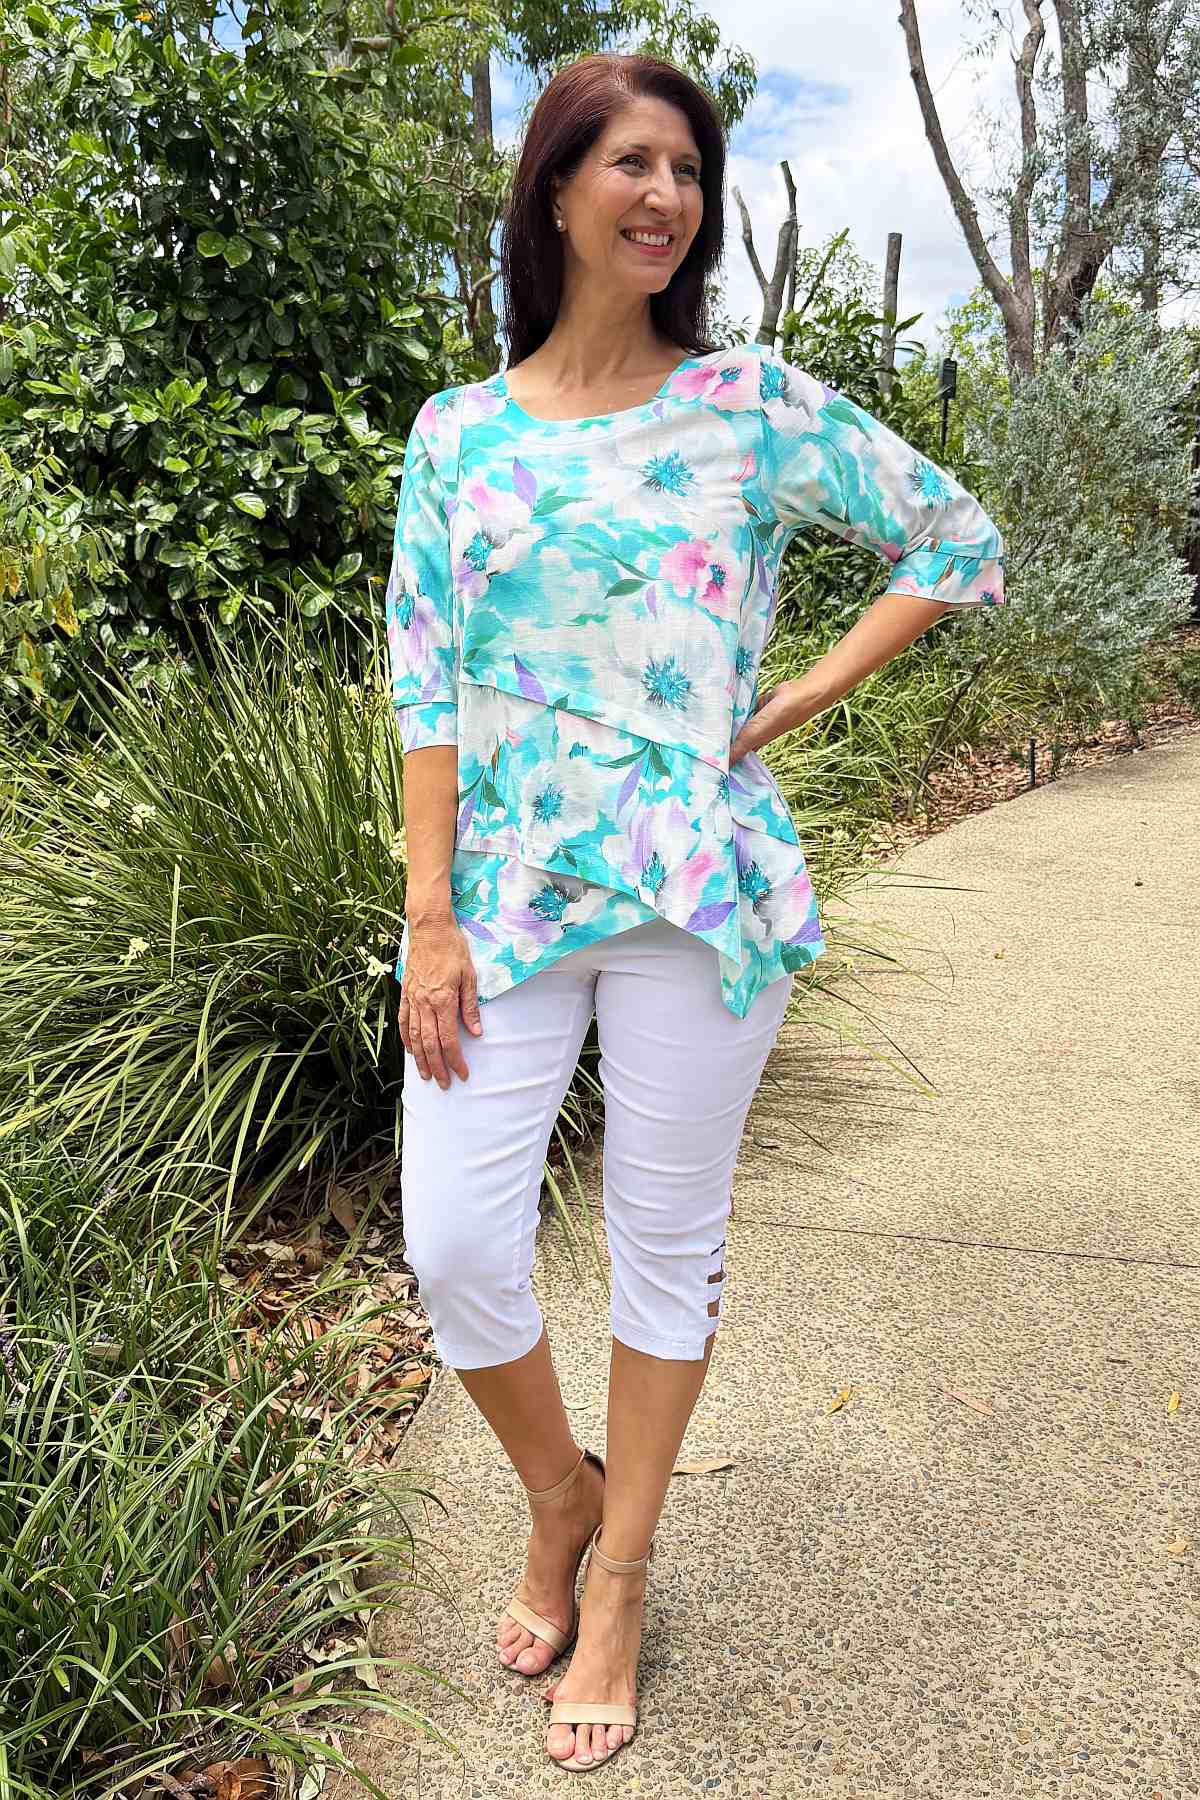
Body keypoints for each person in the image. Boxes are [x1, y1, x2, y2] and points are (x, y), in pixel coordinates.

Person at [386, 50, 1005, 1776]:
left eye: (690, 170)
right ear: (556, 186)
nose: (668, 196)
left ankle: (623, 1573)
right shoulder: (458, 436)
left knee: (667, 1242)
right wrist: (428, 911)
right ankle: (557, 1493)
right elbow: (424, 682)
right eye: (633, 163)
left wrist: (789, 701)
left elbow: (953, 539)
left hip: (694, 891)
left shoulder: (748, 406)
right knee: (455, 1245)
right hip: (506, 899)